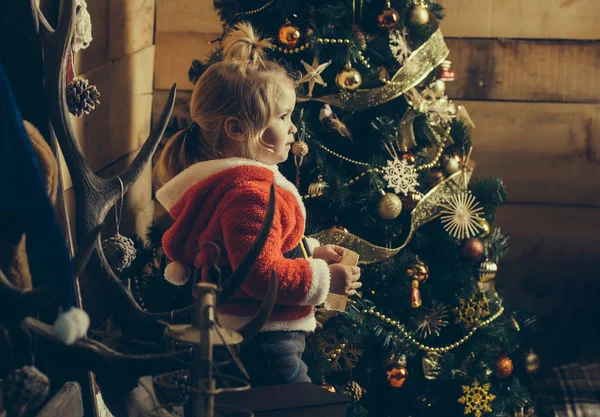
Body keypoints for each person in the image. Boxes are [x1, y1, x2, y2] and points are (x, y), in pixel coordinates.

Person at [153, 22, 361, 386]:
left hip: (249, 334)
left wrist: (309, 249)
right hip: (266, 338)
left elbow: (251, 247)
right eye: (282, 117)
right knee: (298, 407)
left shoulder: (231, 186)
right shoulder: (250, 193)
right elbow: (258, 273)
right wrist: (325, 277)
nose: (293, 127)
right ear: (237, 129)